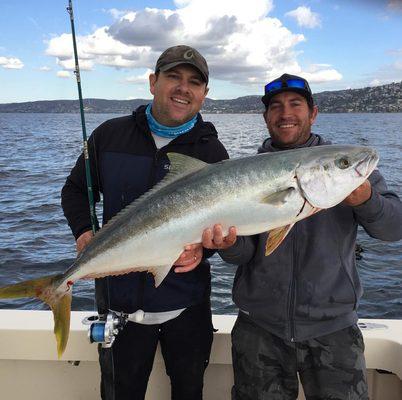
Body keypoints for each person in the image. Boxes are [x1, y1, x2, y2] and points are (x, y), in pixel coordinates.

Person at [199, 73, 402, 399]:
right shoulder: (246, 172)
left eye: (296, 104)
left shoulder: (342, 167)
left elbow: (394, 229)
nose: (286, 113)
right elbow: (246, 253)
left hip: (333, 327)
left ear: (313, 113)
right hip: (259, 327)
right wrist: (229, 244)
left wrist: (367, 201)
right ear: (266, 117)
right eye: (276, 107)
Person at [61, 45, 229, 400]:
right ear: (153, 82)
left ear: (204, 94)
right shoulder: (109, 136)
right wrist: (84, 231)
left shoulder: (212, 153)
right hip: (118, 305)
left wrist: (205, 252)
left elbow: (222, 226)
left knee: (189, 393)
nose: (184, 88)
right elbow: (76, 191)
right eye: (173, 77)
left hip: (188, 307)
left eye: (194, 82)